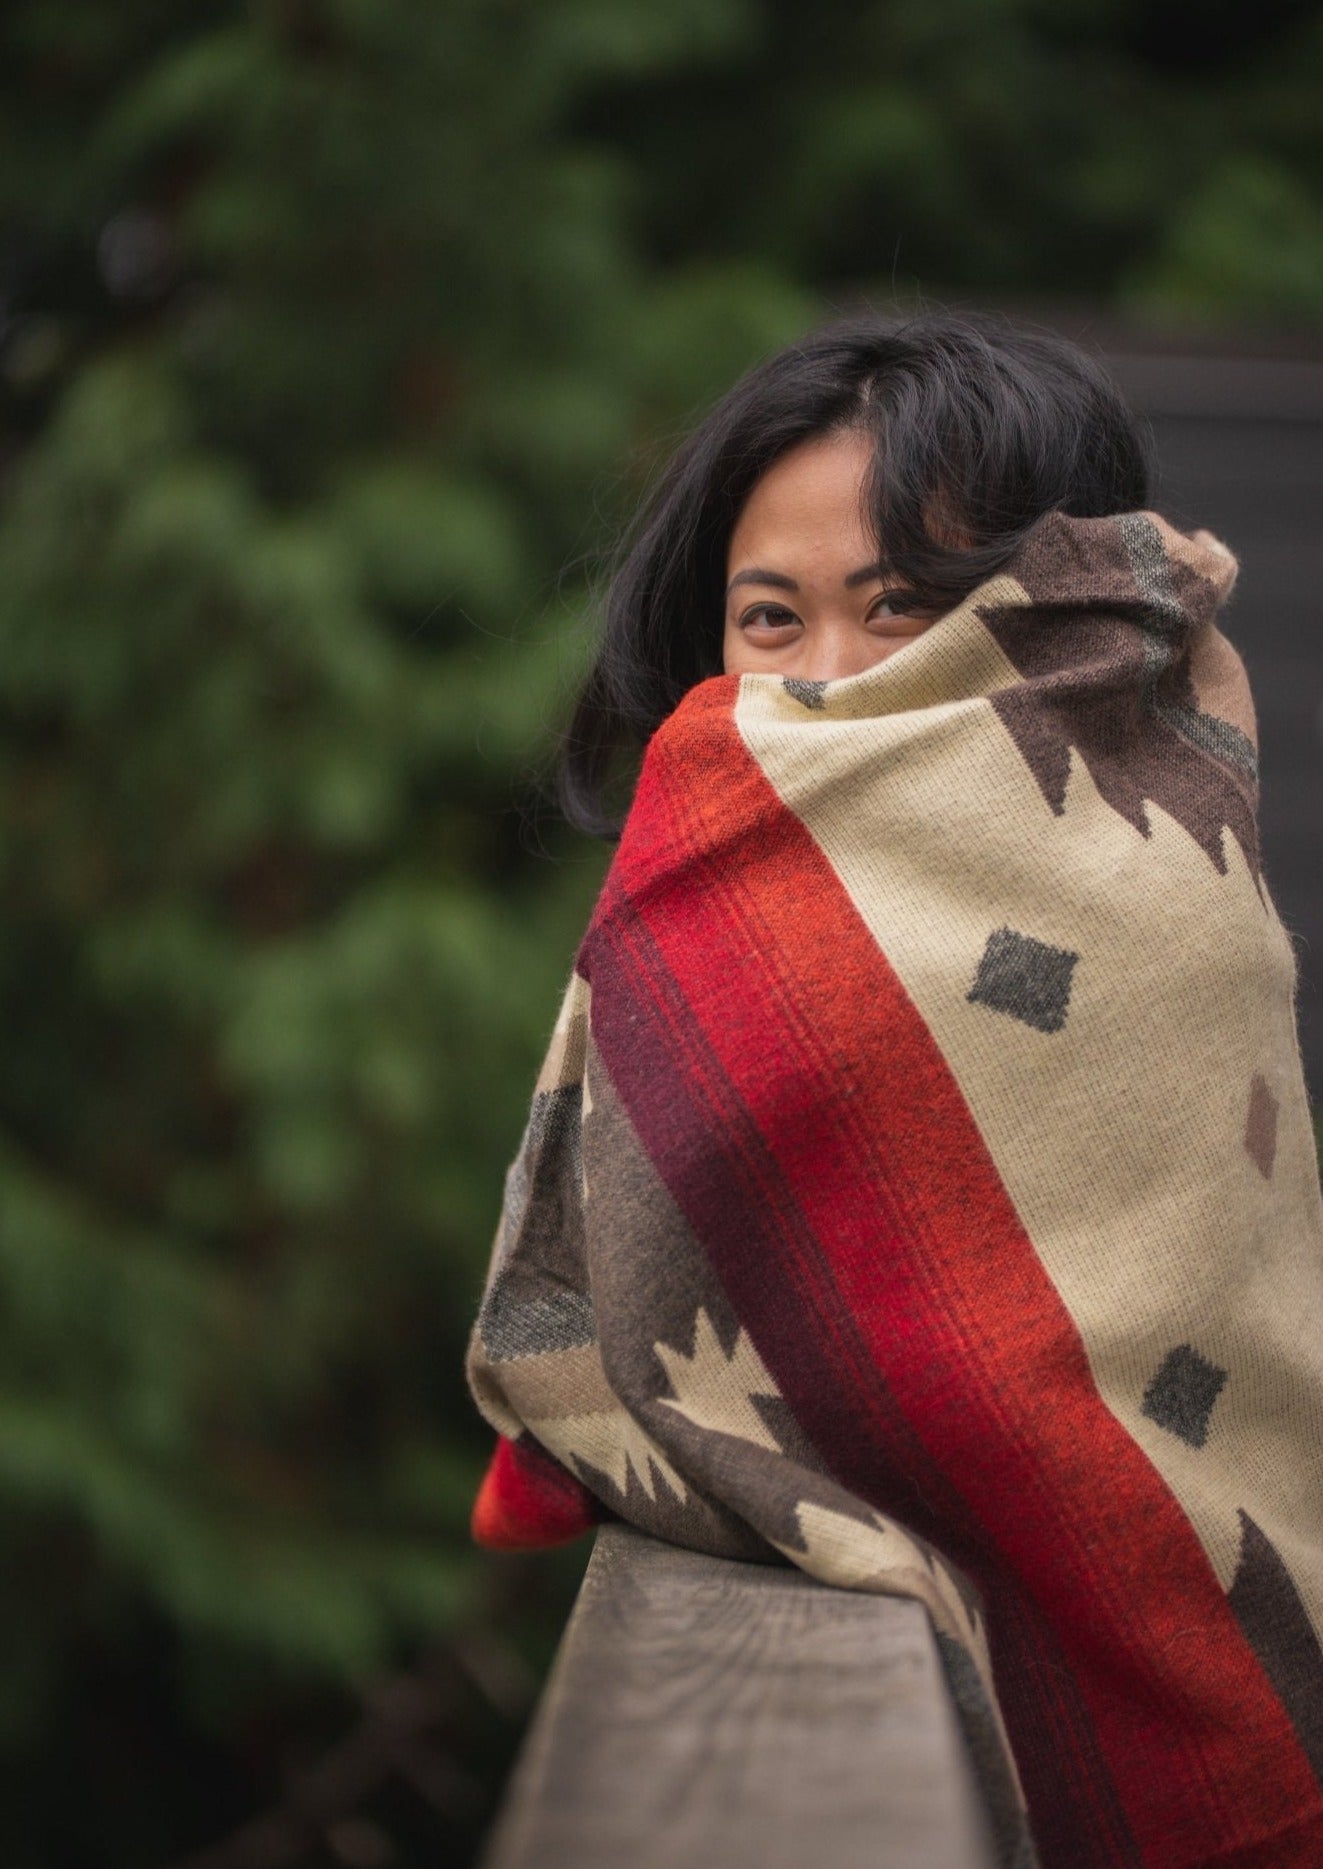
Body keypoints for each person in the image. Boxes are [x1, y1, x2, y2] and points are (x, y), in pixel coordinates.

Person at [466, 311, 1323, 1869]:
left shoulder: (1182, 870)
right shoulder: (710, 839)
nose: (830, 680)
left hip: (1208, 1634)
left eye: (906, 609)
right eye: (771, 619)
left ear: (1050, 620)